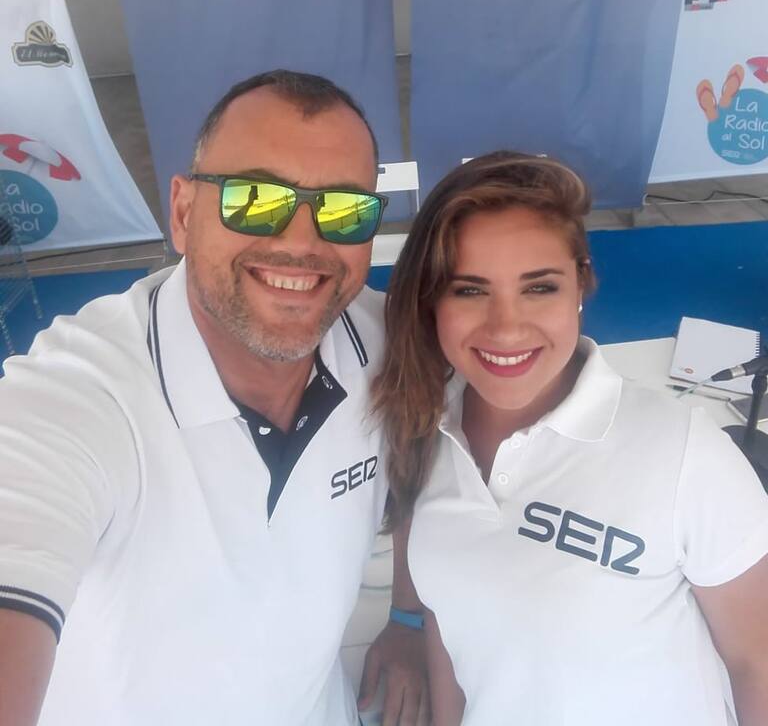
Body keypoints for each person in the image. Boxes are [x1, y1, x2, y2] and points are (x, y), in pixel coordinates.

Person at [0, 70, 426, 726]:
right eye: (255, 199)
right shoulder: (76, 398)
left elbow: (431, 460)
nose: (301, 242)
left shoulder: (388, 344)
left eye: (343, 210)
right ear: (183, 213)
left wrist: (410, 616)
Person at [372, 151, 768, 726]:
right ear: (431, 300)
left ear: (580, 283)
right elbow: (448, 619)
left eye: (539, 287)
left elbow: (757, 661)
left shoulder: (683, 451)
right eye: (470, 291)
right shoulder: (422, 434)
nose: (506, 327)